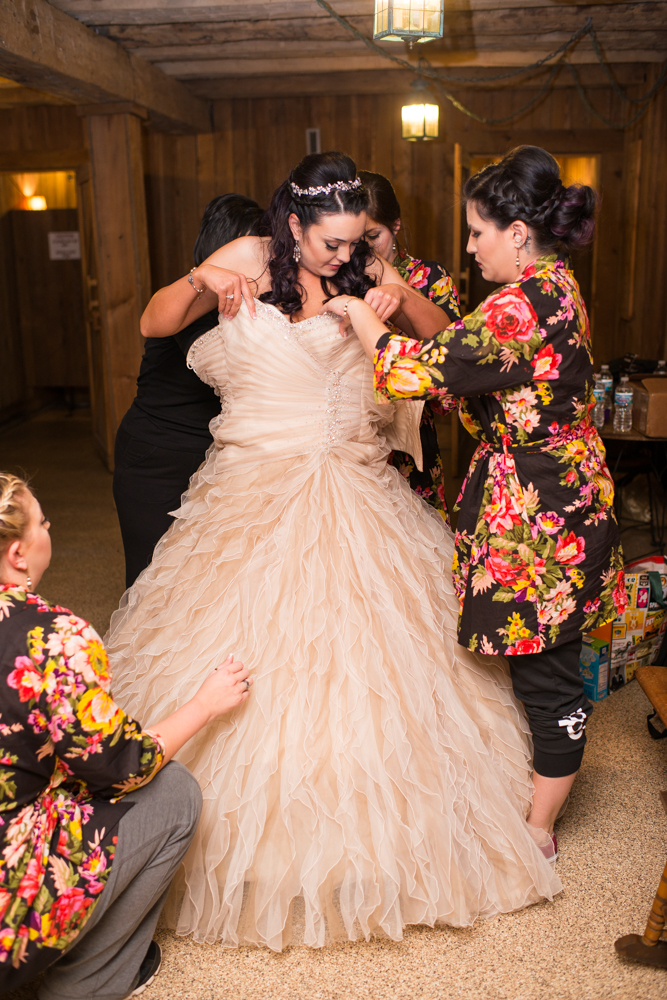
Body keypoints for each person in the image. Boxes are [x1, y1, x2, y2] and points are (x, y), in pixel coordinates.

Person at [105, 150, 560, 953]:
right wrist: (200, 283)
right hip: (249, 493)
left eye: (355, 245)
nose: (344, 258)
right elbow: (154, 322)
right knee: (248, 653)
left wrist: (396, 293)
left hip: (357, 489)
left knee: (377, 670)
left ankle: (391, 840)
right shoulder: (244, 258)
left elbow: (437, 343)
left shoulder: (366, 269)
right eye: (331, 246)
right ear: (292, 226)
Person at [323, 145, 627, 859]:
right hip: (559, 491)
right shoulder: (555, 286)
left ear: (517, 232)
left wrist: (355, 315)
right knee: (537, 660)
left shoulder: (524, 303)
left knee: (546, 672)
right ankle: (529, 800)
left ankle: (537, 833)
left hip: (540, 515)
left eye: (477, 231)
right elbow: (473, 364)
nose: (467, 246)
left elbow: (409, 371)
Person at [0, 473, 252, 997]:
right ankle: (88, 982)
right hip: (7, 917)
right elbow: (121, 763)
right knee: (173, 791)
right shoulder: (52, 638)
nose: (50, 528)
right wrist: (204, 705)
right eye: (44, 522)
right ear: (20, 553)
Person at [113, 194, 265, 588]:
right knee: (151, 582)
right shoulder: (190, 296)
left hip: (215, 456)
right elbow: (233, 368)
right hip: (159, 455)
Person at [359, 170, 460, 521]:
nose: (366, 249)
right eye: (355, 238)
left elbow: (450, 351)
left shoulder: (429, 278)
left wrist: (403, 300)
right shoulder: (337, 275)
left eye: (374, 236)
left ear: (396, 226)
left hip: (410, 439)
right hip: (352, 435)